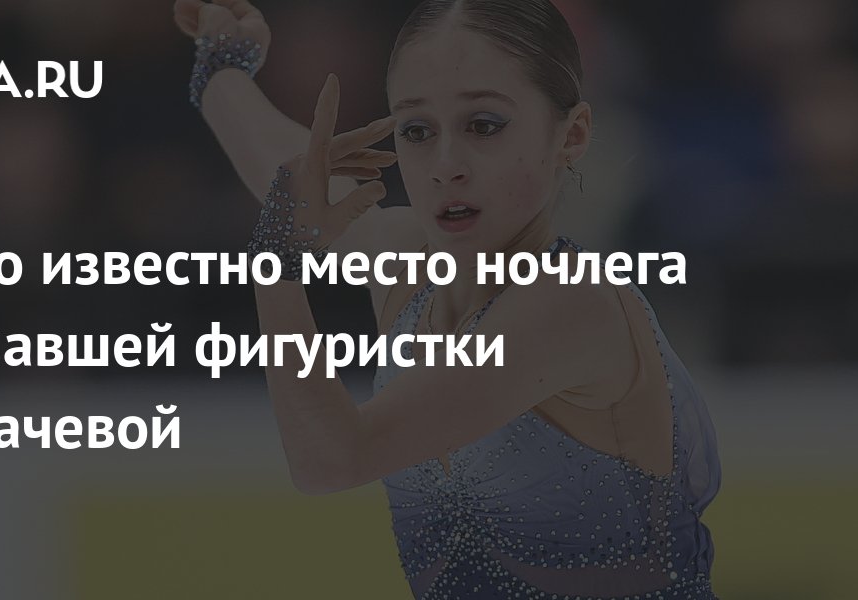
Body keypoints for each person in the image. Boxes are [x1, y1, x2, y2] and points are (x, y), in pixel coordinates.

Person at [174, 0, 721, 597]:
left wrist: (277, 263)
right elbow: (286, 165)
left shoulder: (570, 300)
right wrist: (223, 64)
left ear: (572, 134)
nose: (445, 166)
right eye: (417, 131)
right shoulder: (410, 263)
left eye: (483, 125)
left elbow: (331, 459)